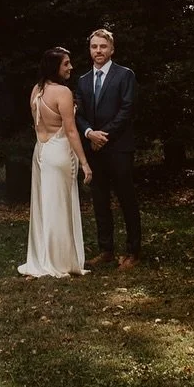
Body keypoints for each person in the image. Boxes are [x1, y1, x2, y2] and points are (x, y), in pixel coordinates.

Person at [17, 46, 93, 278]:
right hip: (59, 152)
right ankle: (60, 262)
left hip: (41, 151)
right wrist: (84, 163)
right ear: (55, 67)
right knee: (60, 207)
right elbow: (70, 131)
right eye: (66, 63)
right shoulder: (63, 92)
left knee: (45, 207)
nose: (70, 67)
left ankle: (43, 258)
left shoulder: (36, 91)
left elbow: (38, 124)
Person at [75, 28, 141, 269]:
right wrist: (89, 133)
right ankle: (106, 250)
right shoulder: (82, 81)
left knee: (126, 199)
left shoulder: (125, 75)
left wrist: (105, 135)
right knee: (100, 200)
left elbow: (127, 109)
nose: (98, 51)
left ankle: (133, 251)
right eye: (94, 47)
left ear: (112, 49)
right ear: (90, 50)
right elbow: (78, 114)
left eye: (103, 46)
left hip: (119, 147)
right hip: (93, 148)